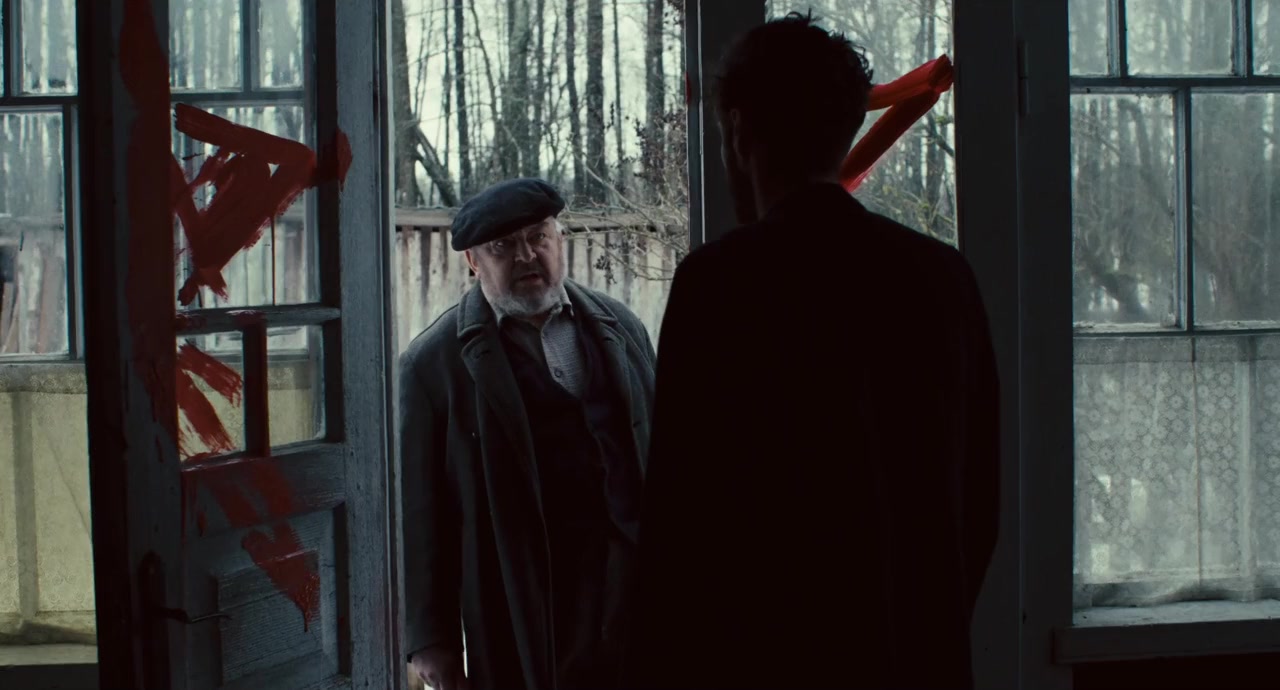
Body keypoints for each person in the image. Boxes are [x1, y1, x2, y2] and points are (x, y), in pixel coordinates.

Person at [622, 13, 1000, 689]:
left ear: (739, 131)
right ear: (845, 127)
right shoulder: (942, 278)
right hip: (915, 659)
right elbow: (980, 503)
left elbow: (681, 519)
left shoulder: (720, 286)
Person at [400, 177, 657, 690]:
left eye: (538, 236)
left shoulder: (622, 327)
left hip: (630, 589)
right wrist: (430, 637)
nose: (526, 256)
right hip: (522, 603)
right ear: (473, 261)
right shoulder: (432, 365)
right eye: (502, 247)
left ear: (559, 238)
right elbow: (419, 513)